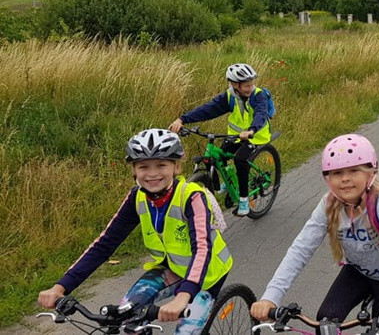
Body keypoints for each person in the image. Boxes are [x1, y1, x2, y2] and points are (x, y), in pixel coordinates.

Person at [38, 129, 233, 333]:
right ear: (134, 170)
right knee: (127, 316)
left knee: (186, 330)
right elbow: (105, 244)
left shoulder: (192, 197)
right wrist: (61, 287)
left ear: (176, 167)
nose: (152, 174)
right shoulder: (137, 197)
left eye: (161, 165)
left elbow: (202, 248)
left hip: (206, 274)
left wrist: (184, 297)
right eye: (143, 167)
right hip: (171, 268)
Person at [250, 134, 379, 335]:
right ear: (328, 178)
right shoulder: (328, 205)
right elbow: (299, 250)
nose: (345, 178)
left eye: (353, 170)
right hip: (358, 272)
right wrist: (271, 296)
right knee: (325, 322)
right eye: (337, 172)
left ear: (371, 173)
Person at [169, 63, 275, 217]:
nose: (250, 88)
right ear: (234, 84)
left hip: (256, 136)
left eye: (251, 84)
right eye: (246, 85)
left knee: (240, 160)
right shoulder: (229, 97)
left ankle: (244, 201)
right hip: (235, 136)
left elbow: (261, 113)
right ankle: (232, 180)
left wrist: (251, 130)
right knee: (219, 154)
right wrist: (182, 120)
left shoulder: (259, 95)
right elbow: (208, 109)